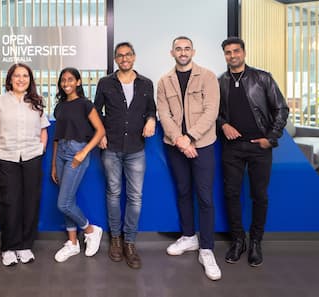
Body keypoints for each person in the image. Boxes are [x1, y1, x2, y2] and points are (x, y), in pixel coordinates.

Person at [218, 37, 288, 267]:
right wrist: (223, 125)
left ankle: (256, 241)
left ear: (244, 52)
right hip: (232, 148)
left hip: (259, 147)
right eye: (228, 52)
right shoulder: (220, 82)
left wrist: (271, 138)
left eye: (236, 51)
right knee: (231, 194)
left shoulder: (262, 77)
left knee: (259, 196)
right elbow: (213, 113)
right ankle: (238, 240)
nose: (232, 56)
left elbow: (281, 108)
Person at [156, 36, 221, 281]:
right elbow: (164, 113)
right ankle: (188, 237)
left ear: (193, 51)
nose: (183, 52)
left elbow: (211, 111)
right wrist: (180, 141)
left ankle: (206, 249)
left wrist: (191, 138)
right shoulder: (164, 81)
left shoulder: (208, 77)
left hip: (202, 145)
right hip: (176, 146)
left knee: (204, 196)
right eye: (178, 49)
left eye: (186, 48)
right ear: (171, 52)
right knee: (183, 191)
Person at [0, 63, 50, 266]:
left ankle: (25, 245)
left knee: (30, 201)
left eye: (25, 76)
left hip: (31, 157)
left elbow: (44, 129)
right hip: (6, 158)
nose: (21, 79)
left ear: (30, 79)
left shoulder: (36, 102)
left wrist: (41, 148)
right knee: (8, 202)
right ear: (10, 79)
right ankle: (8, 247)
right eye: (17, 76)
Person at [94, 42, 156, 269]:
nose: (124, 59)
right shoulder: (105, 83)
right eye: (120, 56)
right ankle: (116, 240)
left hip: (136, 149)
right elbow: (95, 111)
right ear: (115, 59)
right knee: (113, 194)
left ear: (134, 57)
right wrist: (100, 133)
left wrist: (151, 120)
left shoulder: (146, 83)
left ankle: (130, 242)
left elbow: (152, 109)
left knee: (135, 197)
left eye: (128, 54)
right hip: (111, 147)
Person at [51, 67, 105, 263]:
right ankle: (72, 243)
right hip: (62, 153)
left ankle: (91, 230)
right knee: (68, 201)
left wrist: (83, 152)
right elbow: (57, 137)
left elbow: (100, 131)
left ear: (78, 82)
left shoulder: (85, 104)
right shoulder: (60, 107)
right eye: (63, 80)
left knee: (63, 203)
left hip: (77, 152)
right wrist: (54, 165)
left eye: (70, 79)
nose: (66, 83)